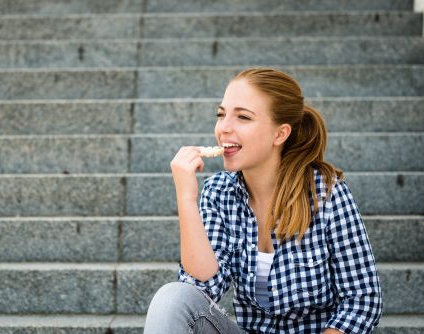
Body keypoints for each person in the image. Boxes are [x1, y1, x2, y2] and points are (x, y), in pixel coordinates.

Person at [143, 68, 383, 333]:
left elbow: (363, 300)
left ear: (280, 134)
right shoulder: (218, 192)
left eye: (243, 117)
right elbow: (202, 288)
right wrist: (186, 199)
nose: (224, 128)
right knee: (172, 298)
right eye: (221, 114)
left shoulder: (326, 193)